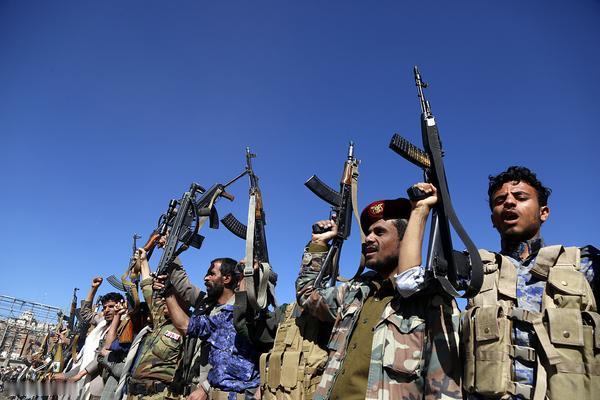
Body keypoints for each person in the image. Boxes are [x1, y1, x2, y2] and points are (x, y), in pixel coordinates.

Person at [296, 191, 462, 400]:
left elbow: (444, 389)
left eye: (380, 232)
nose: (368, 238)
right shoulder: (354, 292)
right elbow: (307, 294)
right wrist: (319, 244)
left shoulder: (431, 300)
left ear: (405, 239)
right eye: (368, 232)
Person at [462, 166, 599, 400]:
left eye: (520, 197)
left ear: (544, 212)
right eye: (500, 200)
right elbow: (409, 282)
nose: (509, 202)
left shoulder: (584, 265)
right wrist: (421, 210)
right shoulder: (473, 269)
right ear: (493, 219)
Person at [165, 258, 260, 400]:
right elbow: (184, 287)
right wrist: (171, 259)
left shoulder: (245, 314)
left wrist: (206, 386)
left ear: (227, 278)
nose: (205, 278)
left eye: (211, 274)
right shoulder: (206, 306)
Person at [124, 248, 184, 400]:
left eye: (169, 297)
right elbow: (147, 289)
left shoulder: (187, 330)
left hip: (159, 395)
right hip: (134, 393)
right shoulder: (161, 319)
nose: (163, 300)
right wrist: (144, 261)